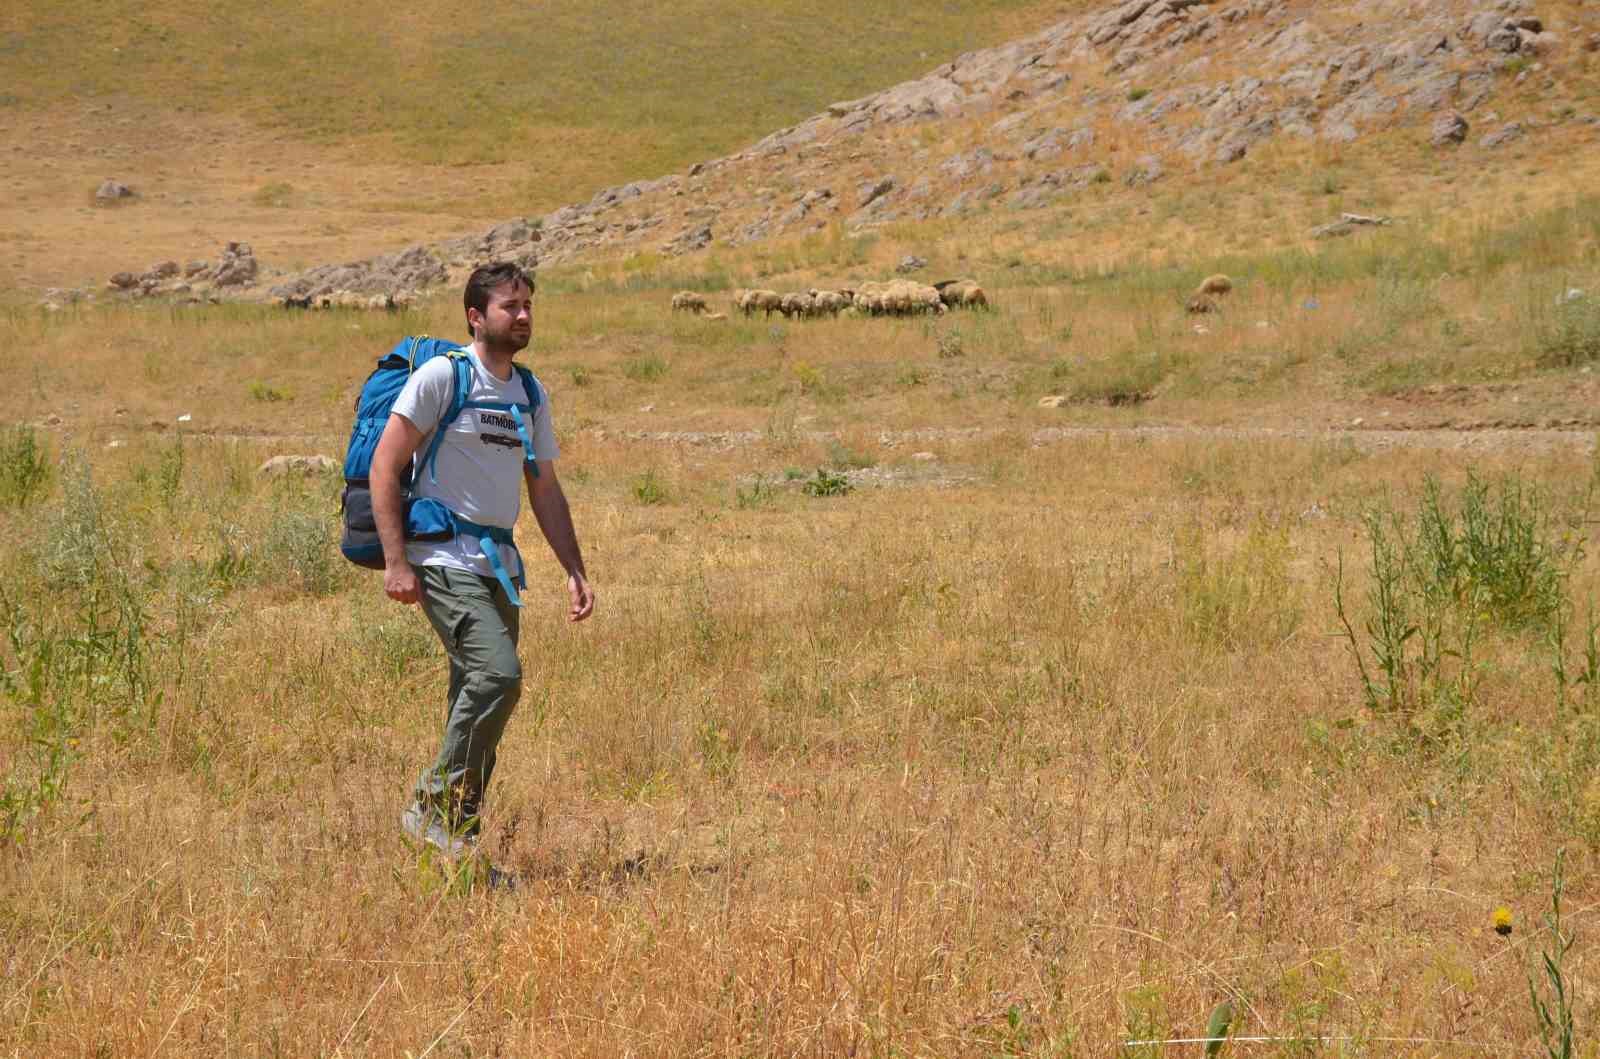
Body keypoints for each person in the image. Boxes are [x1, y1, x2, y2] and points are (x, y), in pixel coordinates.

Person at [370, 261, 594, 857]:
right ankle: (431, 804)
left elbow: (543, 487)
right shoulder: (446, 377)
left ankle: (456, 847)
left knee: (475, 704)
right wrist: (397, 562)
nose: (522, 317)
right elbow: (385, 466)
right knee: (499, 676)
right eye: (509, 307)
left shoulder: (529, 391)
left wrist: (574, 568)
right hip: (442, 557)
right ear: (476, 316)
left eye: (528, 307)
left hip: (501, 567)